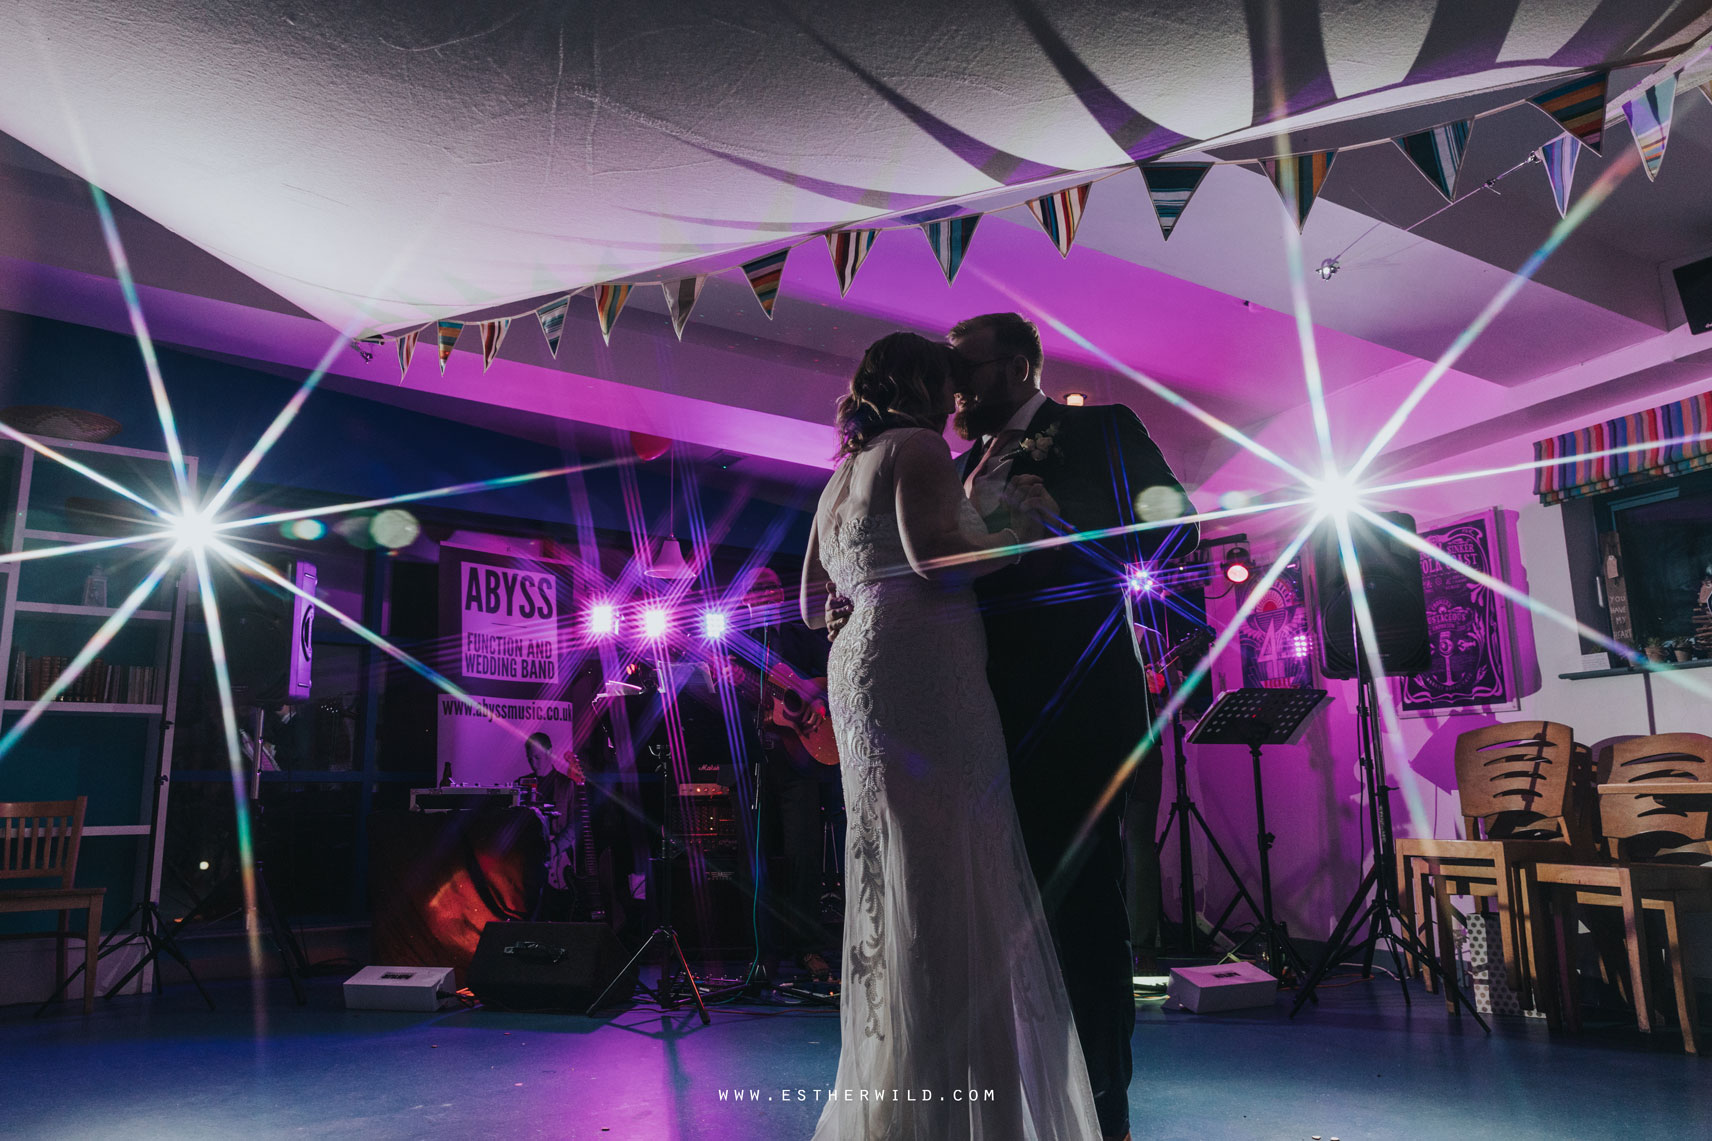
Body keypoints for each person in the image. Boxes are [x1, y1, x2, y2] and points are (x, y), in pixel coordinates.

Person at [801, 331, 1099, 1139]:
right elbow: (937, 562)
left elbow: (808, 602)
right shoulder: (919, 447)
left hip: (862, 664)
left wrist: (860, 601)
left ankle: (900, 1088)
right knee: (951, 869)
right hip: (926, 669)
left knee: (895, 862)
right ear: (925, 385)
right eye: (950, 380)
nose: (959, 395)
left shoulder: (841, 473)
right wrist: (1023, 533)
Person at [950, 311, 1197, 1141]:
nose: (956, 384)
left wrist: (1073, 527)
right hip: (973, 717)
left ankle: (1103, 1109)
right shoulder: (952, 466)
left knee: (1078, 914)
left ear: (1019, 366)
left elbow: (1176, 530)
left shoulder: (1101, 430)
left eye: (969, 365)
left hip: (1078, 707)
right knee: (990, 921)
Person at [737, 565, 840, 981]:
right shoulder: (735, 642)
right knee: (754, 863)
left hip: (801, 759)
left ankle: (808, 949)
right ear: (744, 599)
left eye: (770, 587)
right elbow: (718, 706)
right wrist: (733, 684)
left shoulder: (802, 634)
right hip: (754, 762)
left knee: (804, 858)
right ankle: (761, 953)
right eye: (755, 589)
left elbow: (832, 678)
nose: (763, 595)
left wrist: (811, 706)